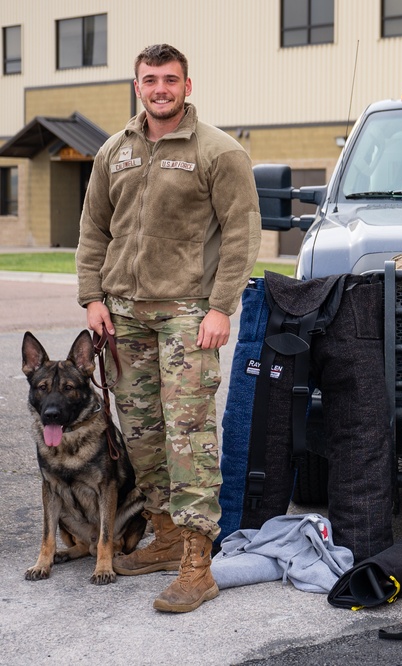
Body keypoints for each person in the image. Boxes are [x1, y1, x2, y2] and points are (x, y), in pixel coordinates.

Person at [76, 44, 261, 613]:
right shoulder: (114, 151)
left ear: (187, 84)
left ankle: (197, 562)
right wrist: (92, 297)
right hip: (122, 314)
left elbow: (241, 234)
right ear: (138, 85)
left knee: (189, 435)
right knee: (140, 431)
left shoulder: (219, 151)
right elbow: (93, 229)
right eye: (150, 79)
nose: (160, 89)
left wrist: (221, 307)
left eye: (170, 79)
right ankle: (166, 534)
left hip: (187, 313)